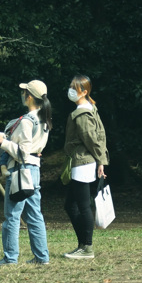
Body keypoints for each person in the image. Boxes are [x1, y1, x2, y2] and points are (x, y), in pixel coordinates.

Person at [0, 79, 51, 265]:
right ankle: (41, 257)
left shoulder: (26, 121)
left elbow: (21, 151)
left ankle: (10, 257)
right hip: (34, 170)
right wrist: (2, 136)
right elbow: (28, 147)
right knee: (35, 215)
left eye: (24, 92)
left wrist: (1, 142)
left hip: (20, 171)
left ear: (29, 96)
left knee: (12, 216)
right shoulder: (43, 119)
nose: (22, 95)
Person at [61, 75, 108, 259]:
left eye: (75, 88)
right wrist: (100, 159)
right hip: (85, 161)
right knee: (71, 205)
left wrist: (101, 160)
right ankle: (82, 245)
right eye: (71, 86)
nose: (71, 90)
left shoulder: (81, 114)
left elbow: (92, 139)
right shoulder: (91, 109)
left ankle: (87, 247)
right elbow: (100, 135)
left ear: (85, 91)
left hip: (82, 162)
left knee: (82, 206)